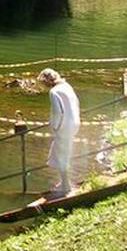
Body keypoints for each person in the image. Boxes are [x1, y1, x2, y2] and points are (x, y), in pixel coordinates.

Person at [37, 68, 81, 196]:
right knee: (64, 152)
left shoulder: (54, 92)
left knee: (61, 155)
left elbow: (57, 111)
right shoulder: (67, 86)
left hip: (64, 126)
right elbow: (76, 103)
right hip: (74, 122)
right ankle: (64, 182)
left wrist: (55, 126)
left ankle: (65, 186)